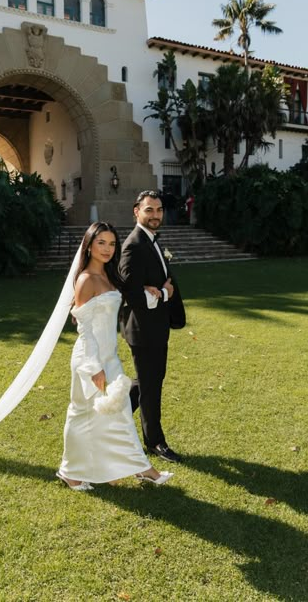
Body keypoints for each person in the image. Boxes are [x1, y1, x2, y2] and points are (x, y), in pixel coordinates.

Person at [57, 222, 173, 490]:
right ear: (89, 245)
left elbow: (120, 301)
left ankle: (134, 468)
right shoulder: (86, 279)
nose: (108, 249)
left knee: (116, 413)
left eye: (112, 244)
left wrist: (153, 291)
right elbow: (84, 330)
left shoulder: (109, 276)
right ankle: (72, 472)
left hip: (109, 356)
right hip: (91, 358)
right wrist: (94, 367)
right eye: (101, 243)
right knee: (81, 414)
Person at [119, 191, 186, 464]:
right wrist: (164, 292)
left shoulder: (153, 241)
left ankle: (108, 419)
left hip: (157, 326)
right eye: (149, 210)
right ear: (137, 211)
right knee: (151, 385)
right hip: (143, 329)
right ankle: (155, 441)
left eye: (158, 210)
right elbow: (131, 294)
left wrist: (162, 293)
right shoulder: (133, 245)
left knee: (147, 381)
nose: (155, 215)